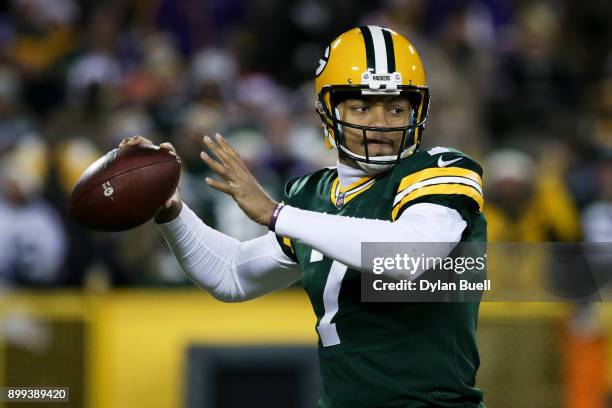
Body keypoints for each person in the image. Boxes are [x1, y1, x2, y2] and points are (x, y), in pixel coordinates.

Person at [121, 26, 486, 408]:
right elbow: (232, 274)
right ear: (329, 112)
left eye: (395, 108)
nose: (380, 123)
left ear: (417, 111)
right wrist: (172, 209)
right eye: (362, 107)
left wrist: (277, 214)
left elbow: (409, 255)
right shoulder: (313, 197)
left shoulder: (442, 170)